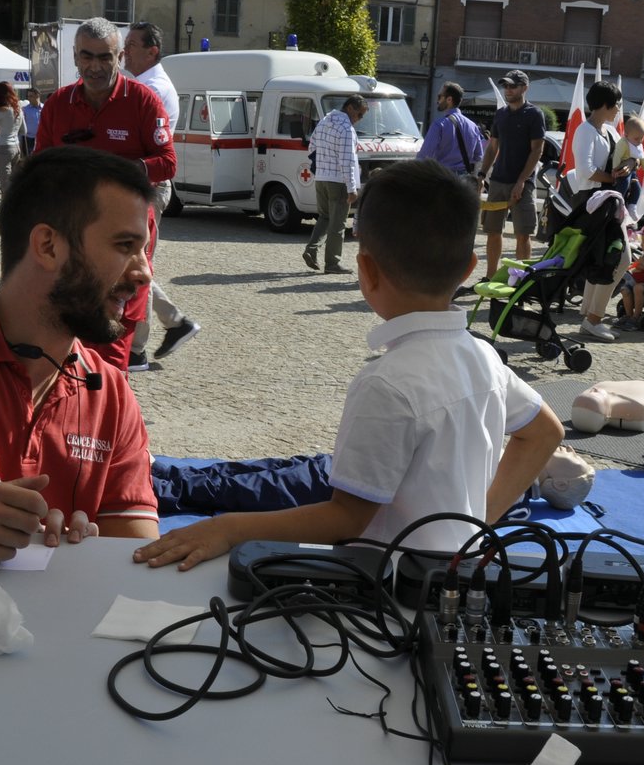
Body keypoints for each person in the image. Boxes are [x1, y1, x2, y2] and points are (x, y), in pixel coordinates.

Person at [133, 159, 563, 570]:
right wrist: (477, 524)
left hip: (384, 587)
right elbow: (545, 431)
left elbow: (346, 517)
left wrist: (228, 528)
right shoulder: (482, 355)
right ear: (469, 268)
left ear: (366, 271)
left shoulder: (388, 381)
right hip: (453, 571)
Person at [0, 147, 160, 566]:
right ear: (47, 246)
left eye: (143, 249)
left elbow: (138, 550)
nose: (144, 272)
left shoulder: (111, 394)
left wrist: (87, 548)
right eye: (125, 245)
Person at [35, 17, 176, 371]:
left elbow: (167, 162)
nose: (95, 66)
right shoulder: (58, 105)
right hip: (74, 230)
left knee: (113, 344)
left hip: (125, 236)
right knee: (67, 331)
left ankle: (111, 411)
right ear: (75, 56)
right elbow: (40, 166)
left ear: (120, 57)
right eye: (87, 57)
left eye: (105, 58)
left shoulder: (143, 101)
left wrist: (122, 171)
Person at [121, 20, 201, 367]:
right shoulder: (140, 83)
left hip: (149, 185)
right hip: (138, 183)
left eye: (132, 45)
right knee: (129, 261)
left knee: (136, 263)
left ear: (152, 51)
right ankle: (175, 323)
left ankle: (136, 349)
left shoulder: (153, 88)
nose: (126, 51)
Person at [566, 79, 632, 343]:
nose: (618, 109)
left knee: (605, 260)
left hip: (606, 201)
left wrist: (626, 164)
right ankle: (592, 319)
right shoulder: (585, 131)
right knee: (618, 259)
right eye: (615, 104)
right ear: (603, 105)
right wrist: (613, 177)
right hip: (593, 203)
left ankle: (589, 316)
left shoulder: (609, 131)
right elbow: (585, 170)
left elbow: (625, 153)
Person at [477, 70, 546, 277]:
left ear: (524, 88)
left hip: (523, 184)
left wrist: (521, 181)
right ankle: (489, 276)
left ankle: (521, 282)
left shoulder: (534, 114)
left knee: (523, 234)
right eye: (506, 86)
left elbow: (537, 150)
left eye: (512, 86)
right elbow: (492, 147)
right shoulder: (501, 114)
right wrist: (481, 175)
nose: (508, 90)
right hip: (498, 181)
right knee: (492, 232)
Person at [303, 94, 366, 275]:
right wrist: (352, 188)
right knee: (338, 224)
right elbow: (347, 161)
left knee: (324, 217)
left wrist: (322, 163)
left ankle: (311, 249)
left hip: (321, 178)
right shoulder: (346, 128)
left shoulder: (325, 120)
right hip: (338, 181)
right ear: (350, 108)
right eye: (359, 114)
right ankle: (332, 263)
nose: (359, 119)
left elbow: (311, 146)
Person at [20, 88, 42, 159]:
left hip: (41, 138)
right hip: (29, 139)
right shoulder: (25, 109)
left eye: (31, 96)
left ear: (37, 96)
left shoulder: (45, 107)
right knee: (30, 160)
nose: (28, 98)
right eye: (28, 96)